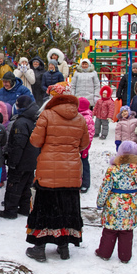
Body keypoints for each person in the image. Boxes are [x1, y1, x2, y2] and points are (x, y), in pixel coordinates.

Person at [26, 94, 89, 262]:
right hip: (71, 171)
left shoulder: (46, 115)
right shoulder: (80, 118)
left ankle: (39, 248)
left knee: (44, 208)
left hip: (49, 169)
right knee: (67, 208)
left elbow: (36, 141)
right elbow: (84, 144)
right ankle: (63, 247)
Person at [95, 141, 137, 263]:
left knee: (110, 230)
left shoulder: (113, 169)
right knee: (127, 231)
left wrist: (100, 202)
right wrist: (135, 197)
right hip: (130, 205)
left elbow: (105, 188)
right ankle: (125, 256)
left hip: (113, 204)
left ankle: (104, 252)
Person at [0, 95, 39, 218]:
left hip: (21, 160)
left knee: (14, 185)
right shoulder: (33, 119)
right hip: (32, 159)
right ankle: (25, 208)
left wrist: (13, 162)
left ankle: (10, 210)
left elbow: (18, 145)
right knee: (26, 185)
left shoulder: (21, 123)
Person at [78, 97, 94, 194]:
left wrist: (86, 147)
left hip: (84, 146)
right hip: (76, 145)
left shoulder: (87, 118)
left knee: (84, 163)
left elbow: (90, 134)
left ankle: (85, 183)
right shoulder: (76, 115)